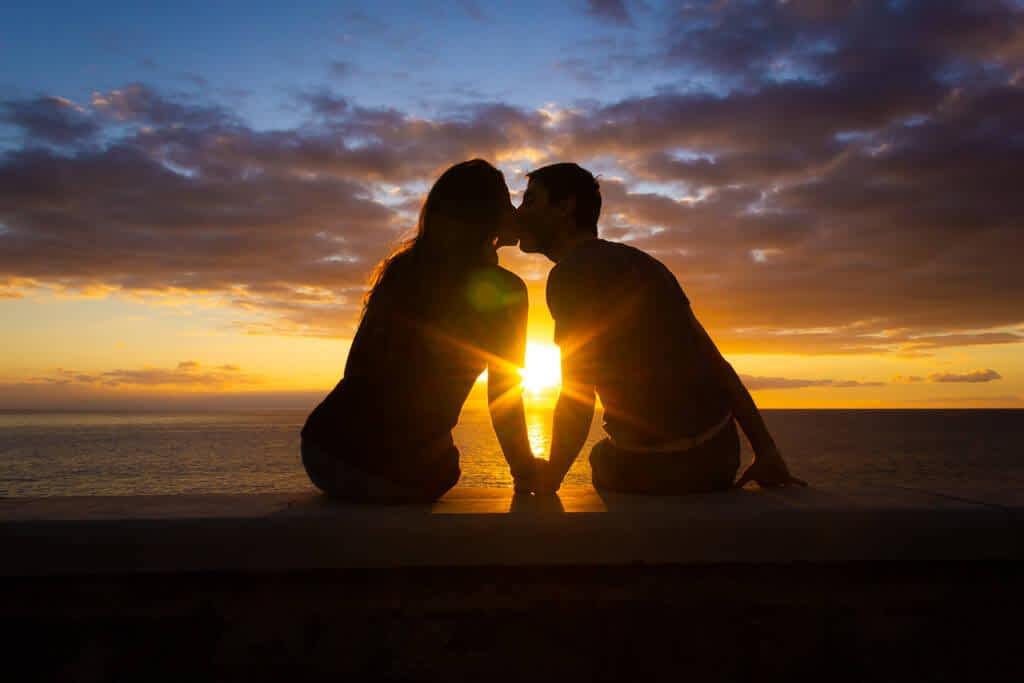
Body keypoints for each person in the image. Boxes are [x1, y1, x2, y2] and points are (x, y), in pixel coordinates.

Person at [514, 162, 805, 495]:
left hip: (651, 467)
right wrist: (765, 450)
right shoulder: (645, 263)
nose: (520, 213)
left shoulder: (569, 275)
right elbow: (716, 364)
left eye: (530, 201)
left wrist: (551, 479)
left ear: (565, 206)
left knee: (600, 457)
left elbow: (577, 395)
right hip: (717, 460)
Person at [301, 159, 536, 503]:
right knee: (446, 464)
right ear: (490, 213)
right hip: (392, 471)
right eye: (507, 201)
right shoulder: (505, 289)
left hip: (322, 451)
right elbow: (505, 395)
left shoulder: (403, 269)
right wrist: (525, 470)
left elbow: (358, 368)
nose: (514, 210)